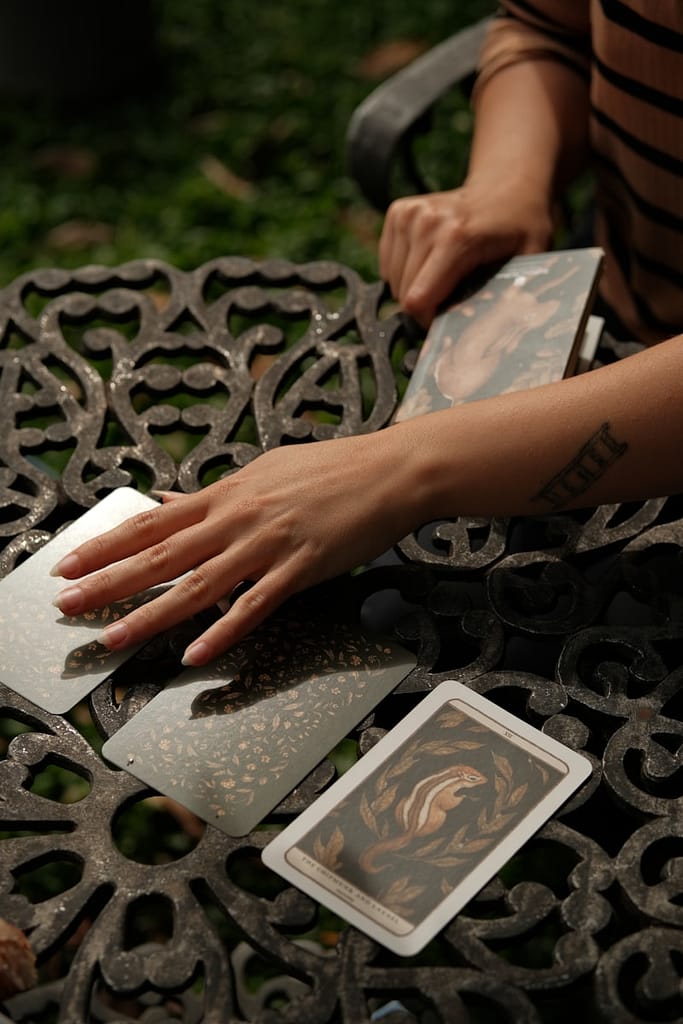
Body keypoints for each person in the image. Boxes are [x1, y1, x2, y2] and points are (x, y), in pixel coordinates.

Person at [50, 0, 683, 667]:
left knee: (426, 639)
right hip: (603, 295)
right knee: (389, 611)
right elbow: (546, 26)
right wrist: (509, 184)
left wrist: (396, 467)